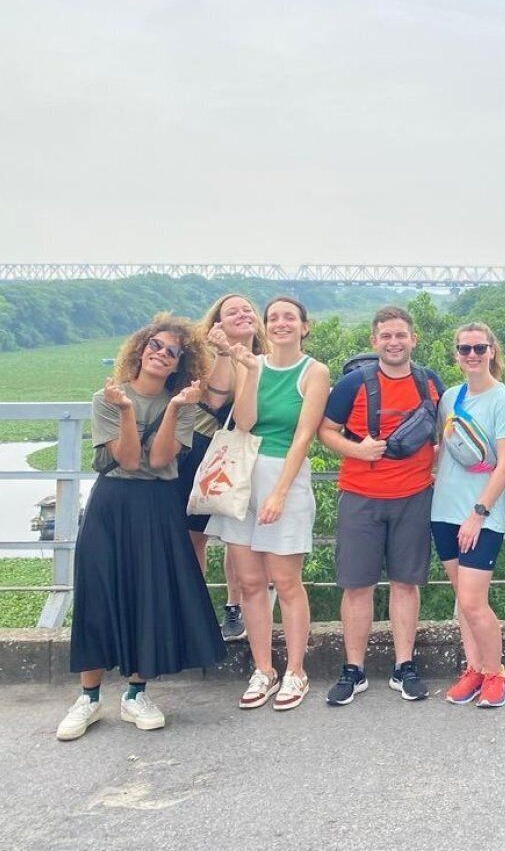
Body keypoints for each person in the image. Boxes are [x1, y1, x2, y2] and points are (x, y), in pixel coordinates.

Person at [57, 316, 225, 741]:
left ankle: (135, 693)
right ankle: (88, 698)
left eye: (172, 352)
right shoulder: (108, 398)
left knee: (147, 594)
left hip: (157, 505)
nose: (161, 353)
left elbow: (160, 459)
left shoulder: (183, 405)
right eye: (155, 345)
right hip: (112, 503)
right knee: (99, 592)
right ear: (140, 348)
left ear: (178, 366)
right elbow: (128, 461)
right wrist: (128, 410)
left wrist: (172, 408)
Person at [206, 297, 329, 712]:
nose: (280, 324)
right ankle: (264, 668)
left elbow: (303, 436)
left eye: (289, 317)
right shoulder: (251, 362)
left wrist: (278, 492)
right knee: (251, 581)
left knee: (286, 581)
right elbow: (243, 421)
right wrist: (250, 370)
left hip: (284, 478)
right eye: (273, 317)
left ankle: (296, 669)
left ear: (304, 326)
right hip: (242, 476)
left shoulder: (314, 372)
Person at [317, 306, 445, 705]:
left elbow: (443, 432)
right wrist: (359, 450)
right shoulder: (353, 384)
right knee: (357, 585)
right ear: (374, 341)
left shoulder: (430, 383)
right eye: (386, 336)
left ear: (413, 339)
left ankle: (404, 666)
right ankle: (353, 669)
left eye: (401, 335)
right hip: (361, 495)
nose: (394, 342)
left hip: (414, 494)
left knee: (407, 583)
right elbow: (325, 431)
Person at [430, 323, 505, 708]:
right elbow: (442, 446)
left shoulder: (504, 399)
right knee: (461, 598)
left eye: (479, 348)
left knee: (473, 601)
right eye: (464, 349)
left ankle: (496, 672)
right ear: (456, 353)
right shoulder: (451, 397)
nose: (472, 355)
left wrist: (479, 513)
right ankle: (474, 669)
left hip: (480, 514)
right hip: (444, 508)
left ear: (492, 351)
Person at [182, 293, 266, 643]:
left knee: (237, 537)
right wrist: (224, 352)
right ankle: (196, 608)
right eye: (232, 312)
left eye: (247, 309)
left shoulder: (268, 358)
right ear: (217, 321)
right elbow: (215, 399)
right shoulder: (207, 358)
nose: (242, 315)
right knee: (195, 536)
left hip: (250, 453)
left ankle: (234, 608)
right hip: (207, 453)